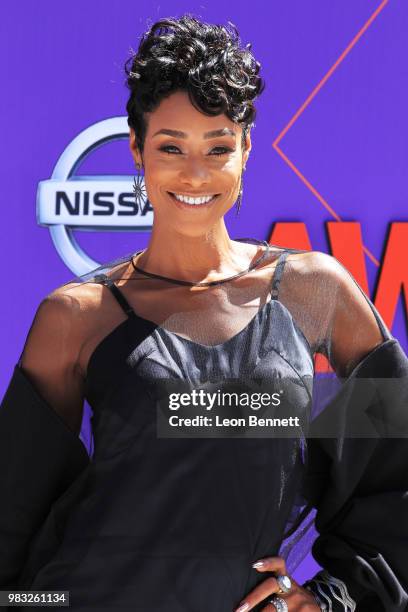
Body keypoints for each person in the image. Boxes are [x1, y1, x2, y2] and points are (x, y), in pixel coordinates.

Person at [1, 14, 408, 612]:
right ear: (137, 151)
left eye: (218, 146)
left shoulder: (316, 292)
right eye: (171, 146)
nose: (195, 173)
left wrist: (331, 598)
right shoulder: (77, 316)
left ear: (246, 148)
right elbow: (12, 521)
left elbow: (395, 471)